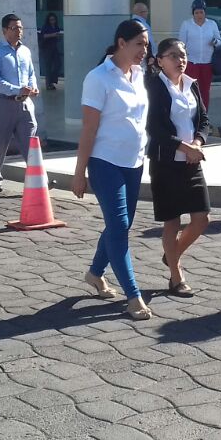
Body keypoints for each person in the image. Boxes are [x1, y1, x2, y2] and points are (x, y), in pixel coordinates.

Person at [72, 20, 153, 320]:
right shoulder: (98, 78)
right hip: (105, 162)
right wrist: (80, 172)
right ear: (121, 43)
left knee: (122, 225)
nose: (144, 50)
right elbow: (89, 129)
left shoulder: (140, 74)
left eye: (146, 45)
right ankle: (133, 295)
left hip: (134, 161)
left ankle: (95, 273)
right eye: (139, 44)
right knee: (119, 227)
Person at [146, 38, 211, 296]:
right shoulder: (154, 87)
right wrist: (185, 148)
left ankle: (171, 255)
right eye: (173, 56)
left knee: (202, 218)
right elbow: (156, 128)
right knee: (171, 222)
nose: (179, 60)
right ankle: (176, 276)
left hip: (191, 162)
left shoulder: (191, 84)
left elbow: (204, 120)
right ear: (160, 61)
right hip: (166, 163)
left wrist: (197, 142)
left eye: (182, 55)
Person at [0, 14, 39, 193]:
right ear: (4, 31)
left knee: (31, 143)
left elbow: (31, 73)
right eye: (14, 28)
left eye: (21, 28)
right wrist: (18, 89)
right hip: (4, 103)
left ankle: (38, 180)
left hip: (25, 104)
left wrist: (33, 87)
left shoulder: (25, 51)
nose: (19, 32)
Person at [178, 0, 221, 109]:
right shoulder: (186, 24)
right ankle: (192, 115)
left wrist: (214, 42)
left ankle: (204, 117)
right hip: (192, 63)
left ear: (205, 12)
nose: (199, 15)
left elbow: (219, 41)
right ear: (193, 13)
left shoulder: (212, 24)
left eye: (201, 12)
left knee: (205, 91)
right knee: (191, 91)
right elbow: (181, 44)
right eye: (196, 12)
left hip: (207, 63)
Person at [38, 12, 63, 90]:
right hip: (46, 49)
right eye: (51, 20)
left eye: (54, 20)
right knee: (48, 66)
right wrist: (53, 35)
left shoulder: (56, 27)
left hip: (54, 48)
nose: (53, 21)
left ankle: (52, 80)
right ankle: (49, 84)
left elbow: (58, 36)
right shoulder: (46, 27)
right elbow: (43, 36)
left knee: (58, 64)